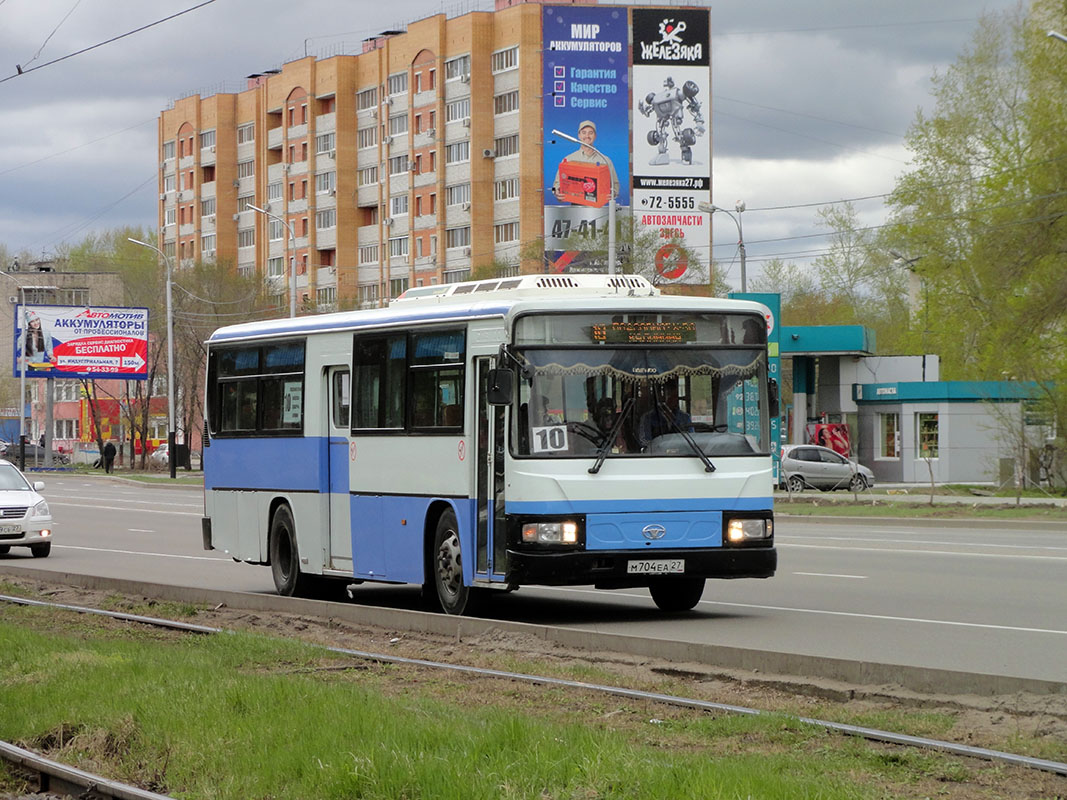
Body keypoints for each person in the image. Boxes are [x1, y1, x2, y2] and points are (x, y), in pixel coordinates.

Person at [552, 120, 620, 203]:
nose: (587, 136)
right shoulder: (569, 159)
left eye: (590, 133)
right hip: (576, 209)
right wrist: (556, 191)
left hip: (598, 209)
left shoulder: (605, 160)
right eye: (584, 132)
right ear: (579, 135)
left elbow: (615, 184)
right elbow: (556, 184)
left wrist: (613, 193)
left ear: (595, 136)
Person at [638, 380, 692, 448]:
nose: (673, 399)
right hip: (657, 456)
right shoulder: (648, 418)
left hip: (682, 455)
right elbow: (644, 441)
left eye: (675, 396)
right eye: (669, 396)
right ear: (660, 397)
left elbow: (692, 439)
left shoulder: (685, 417)